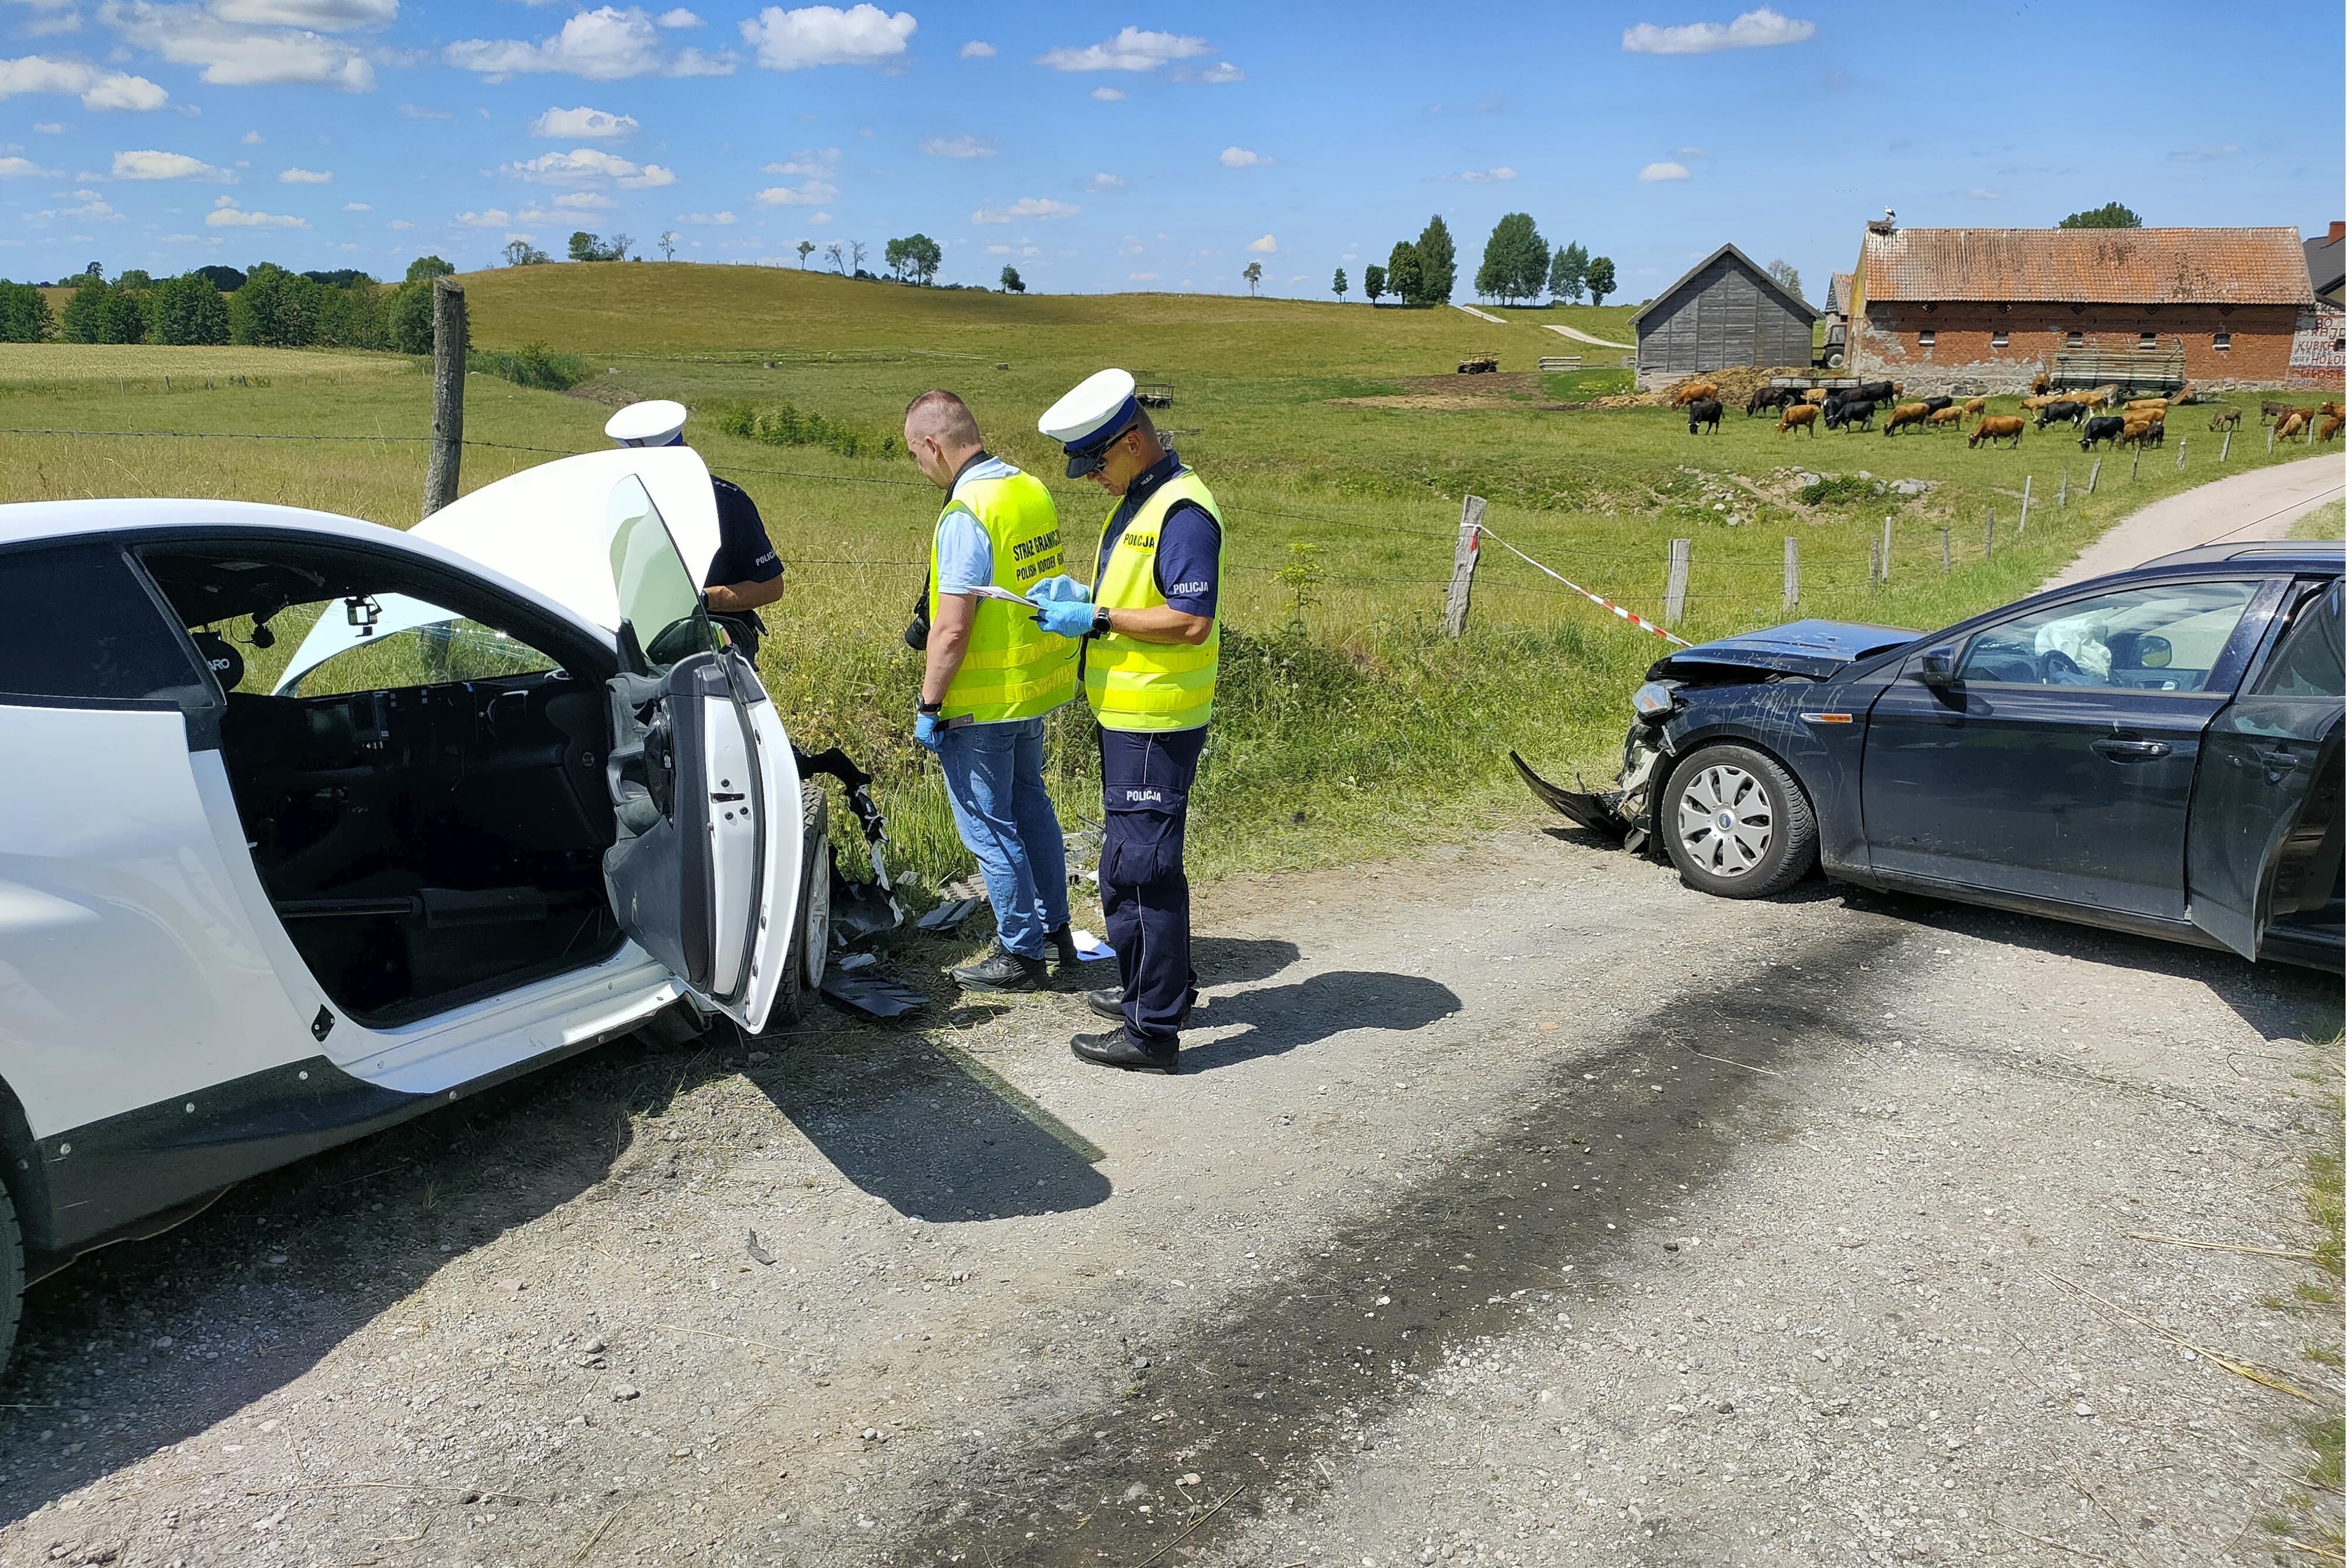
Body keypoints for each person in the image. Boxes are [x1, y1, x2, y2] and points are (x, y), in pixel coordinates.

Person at [1026, 368, 1222, 1074]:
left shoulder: (1182, 512)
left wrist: (1099, 617)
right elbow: (1144, 590)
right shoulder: (1143, 500)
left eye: (1095, 462)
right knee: (1141, 864)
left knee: (1139, 872)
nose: (1088, 478)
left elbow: (1190, 620)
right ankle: (1159, 990)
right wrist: (1087, 595)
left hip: (1155, 718)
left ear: (1133, 441)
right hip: (1131, 712)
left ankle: (1151, 1033)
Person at [903, 390, 1084, 991]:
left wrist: (930, 706)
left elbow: (951, 630)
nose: (920, 469)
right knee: (1032, 809)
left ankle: (1020, 954)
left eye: (915, 455)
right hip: (1031, 687)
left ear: (933, 444)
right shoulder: (1028, 489)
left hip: (979, 701)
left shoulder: (965, 512)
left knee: (988, 825)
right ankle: (1056, 933)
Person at [604, 400, 782, 656]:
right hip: (633, 641)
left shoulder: (728, 504)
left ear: (687, 453)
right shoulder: (621, 500)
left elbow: (771, 586)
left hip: (712, 645)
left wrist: (700, 600)